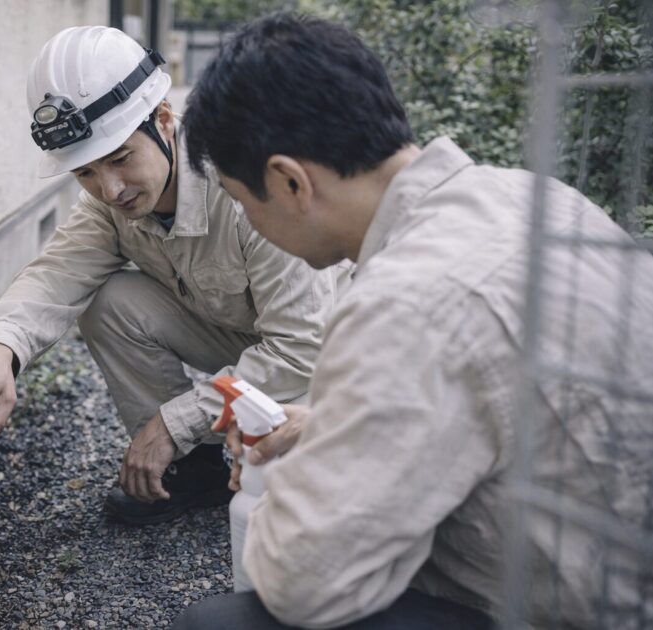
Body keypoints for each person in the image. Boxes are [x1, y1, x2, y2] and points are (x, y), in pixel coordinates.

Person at [173, 12, 653, 630]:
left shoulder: (404, 299)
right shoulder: (533, 196)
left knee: (217, 622)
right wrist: (327, 426)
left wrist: (293, 480)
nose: (248, 221)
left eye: (242, 203)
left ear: (289, 181)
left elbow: (302, 581)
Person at [0, 25, 346, 526]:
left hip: (327, 361)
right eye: (84, 172)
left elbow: (302, 347)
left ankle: (220, 446)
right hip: (248, 339)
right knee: (109, 302)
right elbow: (58, 273)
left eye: (121, 158)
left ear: (165, 120)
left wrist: (172, 423)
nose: (109, 189)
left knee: (310, 504)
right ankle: (193, 473)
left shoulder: (246, 184)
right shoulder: (111, 201)